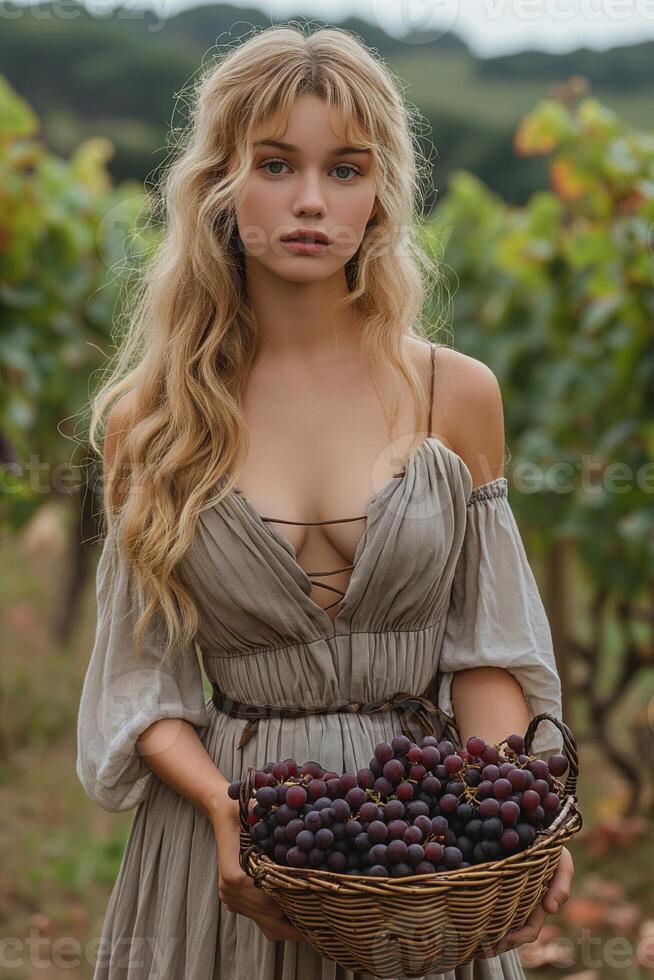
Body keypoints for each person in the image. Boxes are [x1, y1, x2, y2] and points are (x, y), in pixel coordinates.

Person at [75, 23, 573, 980]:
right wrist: (227, 809)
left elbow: (488, 649)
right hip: (230, 835)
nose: (310, 201)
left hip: (422, 842)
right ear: (221, 182)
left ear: (380, 191)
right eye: (275, 164)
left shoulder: (454, 396)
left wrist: (520, 816)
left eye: (346, 169)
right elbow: (146, 684)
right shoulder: (153, 419)